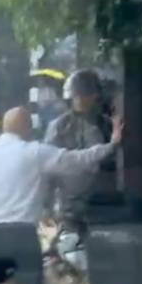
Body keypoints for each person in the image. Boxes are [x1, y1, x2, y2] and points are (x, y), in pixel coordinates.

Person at [0, 106, 122, 284]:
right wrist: (112, 144)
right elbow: (77, 160)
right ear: (28, 128)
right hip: (21, 236)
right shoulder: (36, 152)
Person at [43, 69, 112, 244]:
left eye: (86, 95)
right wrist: (46, 203)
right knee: (70, 246)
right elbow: (49, 166)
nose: (81, 100)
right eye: (77, 96)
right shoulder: (58, 126)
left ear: (96, 96)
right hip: (69, 202)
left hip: (102, 201)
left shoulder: (108, 126)